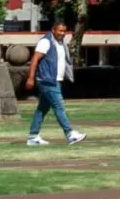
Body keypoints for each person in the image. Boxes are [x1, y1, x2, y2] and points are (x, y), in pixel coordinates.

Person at [26, 17, 84, 147]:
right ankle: (70, 134)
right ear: (53, 30)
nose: (62, 33)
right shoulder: (46, 42)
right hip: (47, 80)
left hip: (55, 80)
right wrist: (30, 77)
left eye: (64, 31)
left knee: (42, 109)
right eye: (59, 31)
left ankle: (33, 136)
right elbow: (35, 59)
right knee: (59, 107)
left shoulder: (61, 43)